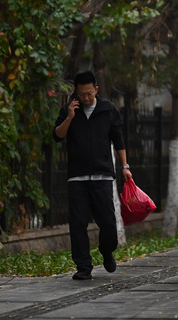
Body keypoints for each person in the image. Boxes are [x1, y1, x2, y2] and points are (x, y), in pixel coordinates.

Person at [53, 71, 131, 281]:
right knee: (78, 223)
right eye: (81, 94)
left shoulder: (108, 109)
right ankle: (83, 267)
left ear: (96, 90)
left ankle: (106, 251)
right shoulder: (69, 109)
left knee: (107, 222)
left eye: (89, 93)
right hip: (77, 178)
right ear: (76, 93)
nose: (85, 98)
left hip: (102, 176)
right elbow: (58, 136)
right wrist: (70, 116)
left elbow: (118, 138)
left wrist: (125, 165)